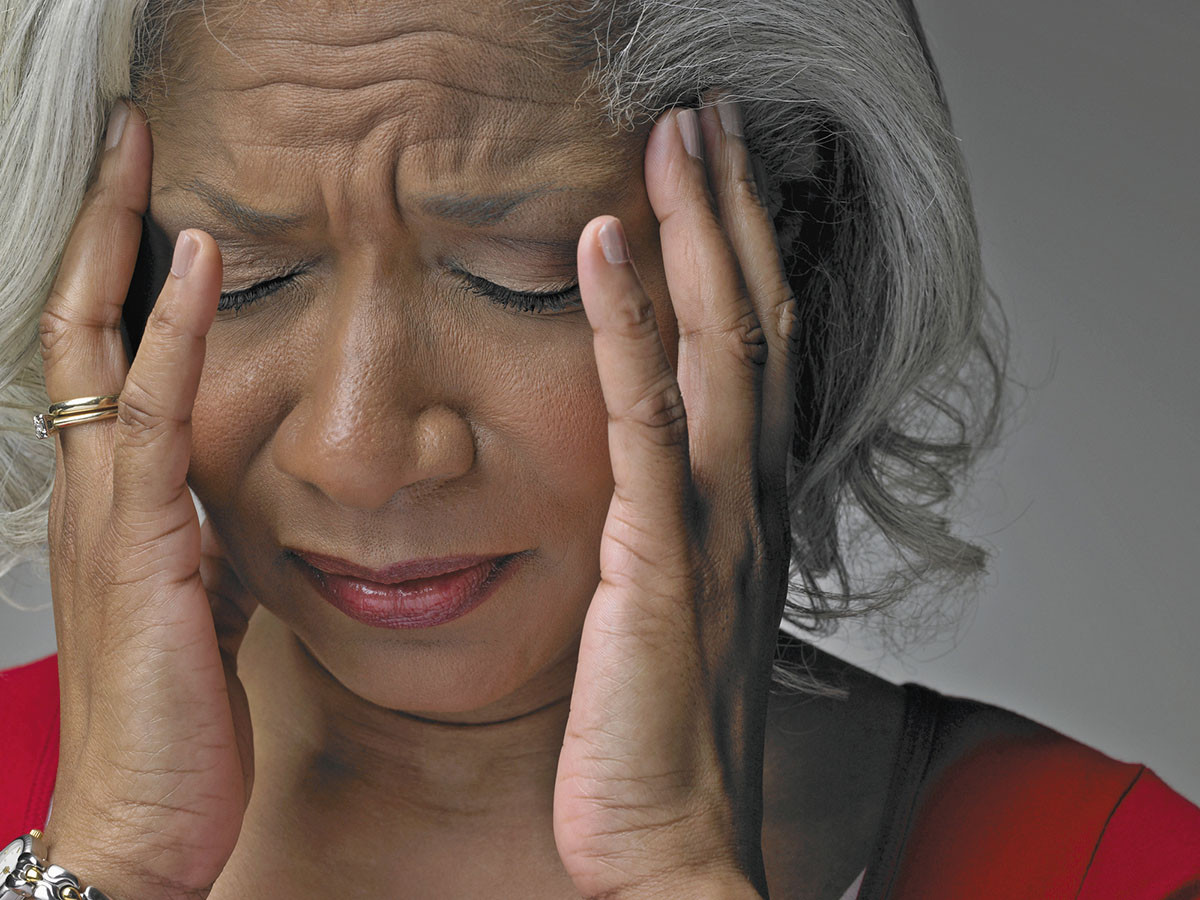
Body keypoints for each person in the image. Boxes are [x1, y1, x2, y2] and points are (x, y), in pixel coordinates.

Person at [0, 0, 1197, 898]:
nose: (358, 450)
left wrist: (681, 871)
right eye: (246, 281)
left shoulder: (1107, 865)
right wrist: (110, 863)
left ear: (788, 248)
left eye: (518, 279)